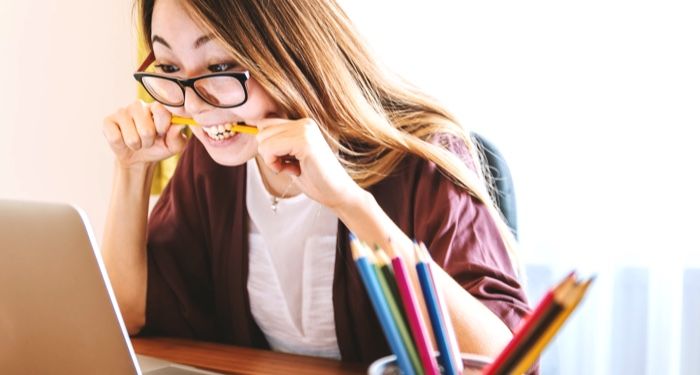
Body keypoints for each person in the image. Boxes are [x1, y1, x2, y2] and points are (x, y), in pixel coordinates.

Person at [101, 0, 531, 364]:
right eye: (172, 66)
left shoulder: (421, 159)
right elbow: (127, 314)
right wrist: (132, 170)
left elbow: (503, 361)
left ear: (289, 51)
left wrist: (349, 203)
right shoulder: (213, 164)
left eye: (219, 65)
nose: (194, 105)